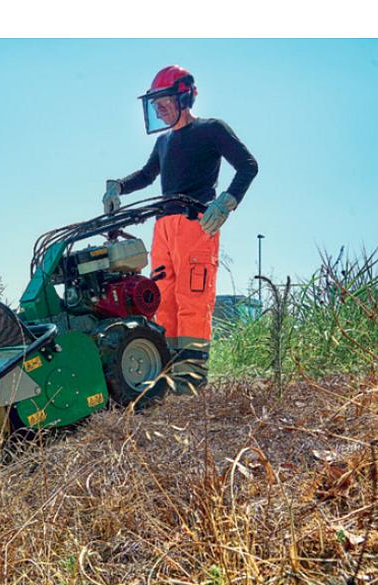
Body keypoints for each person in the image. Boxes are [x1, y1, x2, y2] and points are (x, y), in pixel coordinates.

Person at [102, 65, 258, 391]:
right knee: (162, 300)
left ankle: (190, 379)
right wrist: (118, 185)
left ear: (184, 97)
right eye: (155, 105)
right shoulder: (164, 142)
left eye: (164, 103)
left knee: (193, 298)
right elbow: (147, 175)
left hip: (196, 224)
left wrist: (227, 201)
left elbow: (248, 165)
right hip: (163, 228)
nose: (159, 110)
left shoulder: (211, 130)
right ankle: (167, 377)